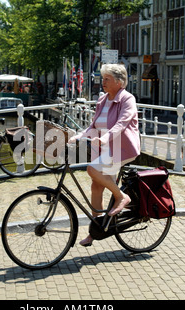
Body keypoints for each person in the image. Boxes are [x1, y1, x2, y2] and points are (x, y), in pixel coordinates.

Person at [68, 63, 140, 247]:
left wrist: (106, 137)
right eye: (103, 78)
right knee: (96, 187)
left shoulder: (127, 99)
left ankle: (121, 196)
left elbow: (122, 123)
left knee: (92, 169)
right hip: (106, 148)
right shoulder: (102, 100)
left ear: (119, 81)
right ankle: (95, 232)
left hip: (122, 148)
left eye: (107, 79)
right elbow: (93, 126)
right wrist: (79, 136)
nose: (103, 82)